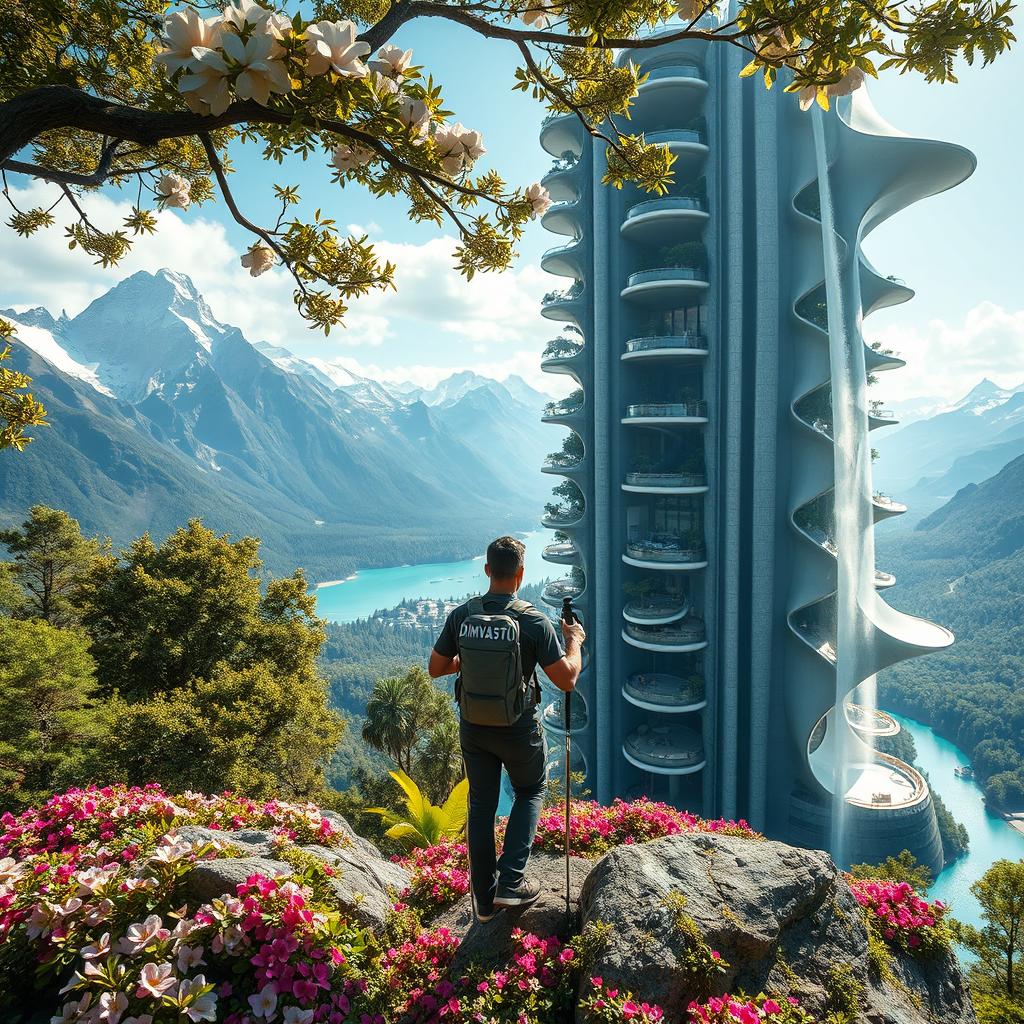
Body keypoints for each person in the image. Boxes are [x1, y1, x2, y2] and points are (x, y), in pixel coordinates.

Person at [429, 535, 585, 922]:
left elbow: (435, 668)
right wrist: (575, 642)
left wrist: (470, 662)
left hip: (473, 728)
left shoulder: (463, 614)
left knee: (480, 805)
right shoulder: (532, 620)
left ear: (487, 571)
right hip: (517, 728)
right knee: (530, 789)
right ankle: (511, 881)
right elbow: (566, 680)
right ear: (520, 574)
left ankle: (483, 901)